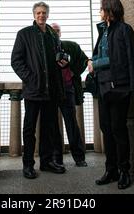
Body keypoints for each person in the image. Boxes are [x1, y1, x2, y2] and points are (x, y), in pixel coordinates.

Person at [11, 1, 66, 179]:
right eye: (38, 13)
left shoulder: (52, 35)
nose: (41, 15)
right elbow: (16, 61)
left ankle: (46, 161)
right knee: (29, 129)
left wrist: (63, 61)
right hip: (33, 91)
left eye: (44, 13)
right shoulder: (24, 34)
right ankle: (28, 165)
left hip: (51, 92)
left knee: (49, 128)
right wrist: (30, 78)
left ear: (47, 15)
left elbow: (58, 58)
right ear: (34, 15)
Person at [88, 0, 134, 190]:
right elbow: (100, 55)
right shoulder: (104, 31)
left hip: (119, 88)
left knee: (118, 129)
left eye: (102, 8)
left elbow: (122, 59)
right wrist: (91, 61)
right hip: (103, 87)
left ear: (110, 10)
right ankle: (111, 170)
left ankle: (124, 171)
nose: (99, 11)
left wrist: (96, 63)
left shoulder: (124, 30)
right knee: (106, 130)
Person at [50, 23, 89, 168]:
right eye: (53, 31)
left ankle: (79, 157)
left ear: (60, 33)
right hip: (52, 92)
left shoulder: (71, 46)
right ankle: (57, 158)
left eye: (57, 30)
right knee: (53, 125)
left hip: (68, 90)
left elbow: (85, 60)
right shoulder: (46, 48)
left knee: (72, 124)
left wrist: (73, 72)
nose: (55, 33)